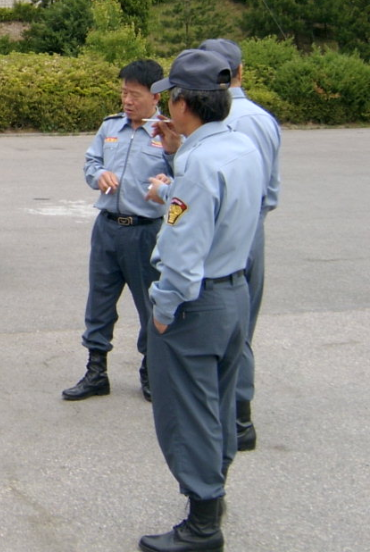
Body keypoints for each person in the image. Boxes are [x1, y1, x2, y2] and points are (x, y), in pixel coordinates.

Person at [138, 48, 263, 552]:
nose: (168, 106)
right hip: (234, 293)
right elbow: (218, 209)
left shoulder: (199, 163)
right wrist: (175, 174)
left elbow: (184, 250)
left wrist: (164, 309)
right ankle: (215, 492)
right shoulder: (241, 146)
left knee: (188, 413)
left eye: (171, 98)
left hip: (197, 302)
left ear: (184, 104)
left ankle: (202, 523)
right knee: (217, 406)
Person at [62, 60, 175, 403]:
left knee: (150, 306)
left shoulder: (168, 134)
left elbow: (185, 175)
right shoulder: (110, 126)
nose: (127, 100)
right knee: (100, 302)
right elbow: (92, 162)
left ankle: (151, 371)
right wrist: (99, 176)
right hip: (108, 228)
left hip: (145, 232)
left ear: (155, 97)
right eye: (124, 92)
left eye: (135, 94)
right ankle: (96, 371)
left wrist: (169, 175)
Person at [199, 38, 281, 452]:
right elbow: (270, 190)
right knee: (242, 326)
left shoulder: (218, 121)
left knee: (218, 322)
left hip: (221, 235)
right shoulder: (263, 119)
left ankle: (228, 417)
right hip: (254, 229)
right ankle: (238, 415)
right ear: (240, 72)